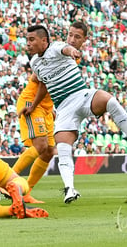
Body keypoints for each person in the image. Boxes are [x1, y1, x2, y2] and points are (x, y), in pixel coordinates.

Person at [26, 23, 127, 203]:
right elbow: (43, 85)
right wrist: (33, 106)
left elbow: (66, 49)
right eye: (27, 40)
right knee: (63, 148)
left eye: (32, 40)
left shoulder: (55, 47)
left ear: (44, 40)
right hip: (64, 108)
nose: (28, 44)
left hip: (82, 96)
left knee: (109, 100)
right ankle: (69, 189)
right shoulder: (34, 63)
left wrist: (73, 51)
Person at [11, 22, 88, 204]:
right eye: (70, 35)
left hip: (46, 107)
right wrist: (34, 105)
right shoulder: (57, 52)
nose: (71, 40)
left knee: (49, 152)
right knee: (40, 145)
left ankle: (26, 192)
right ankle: (7, 181)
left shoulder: (72, 57)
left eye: (77, 37)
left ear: (85, 40)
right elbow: (41, 83)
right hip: (32, 102)